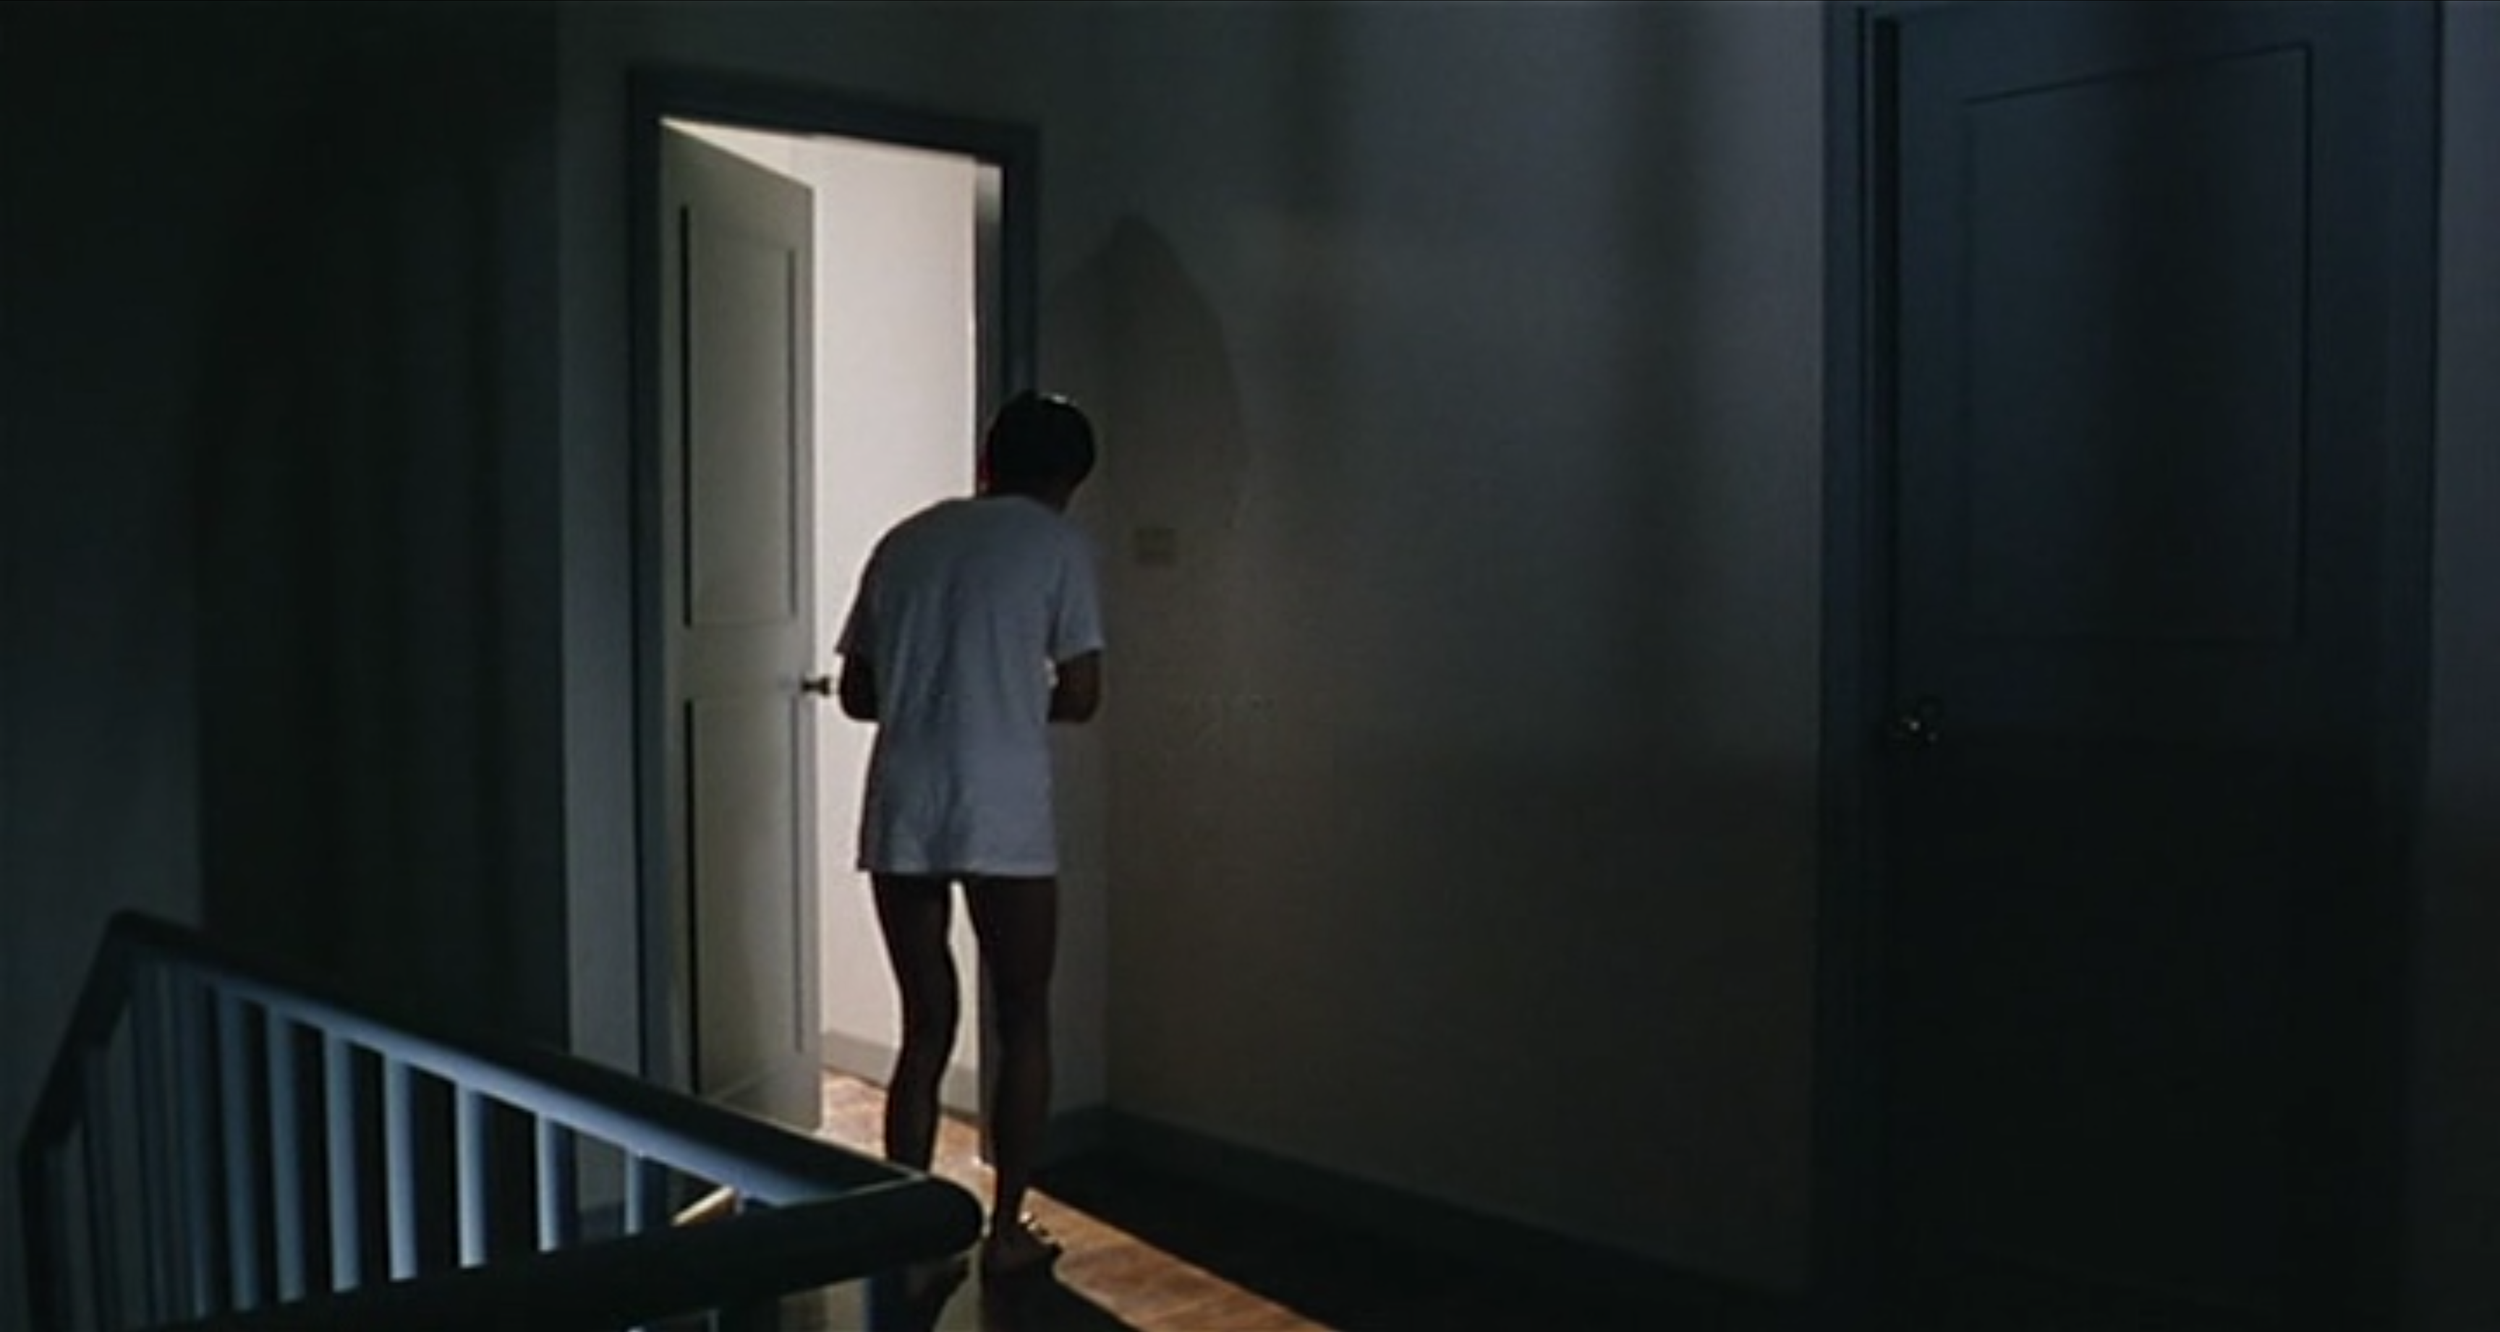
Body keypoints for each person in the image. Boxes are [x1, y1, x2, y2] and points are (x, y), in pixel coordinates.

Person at [834, 391, 1105, 1283]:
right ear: (1070, 478)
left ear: (989, 461)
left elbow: (858, 694)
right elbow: (1083, 693)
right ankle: (1006, 1228)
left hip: (907, 801)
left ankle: (908, 1239)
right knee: (1023, 1017)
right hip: (1004, 807)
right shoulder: (1059, 545)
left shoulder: (906, 540)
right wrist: (1009, 694)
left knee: (923, 1026)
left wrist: (936, 690)